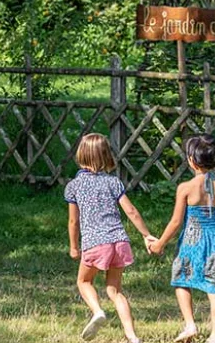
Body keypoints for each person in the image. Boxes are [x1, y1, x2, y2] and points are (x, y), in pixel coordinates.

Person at [65, 133, 155, 343]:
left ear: (80, 155)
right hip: (120, 241)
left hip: (96, 243)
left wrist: (73, 246)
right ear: (106, 155)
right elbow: (131, 211)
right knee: (115, 290)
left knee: (84, 281)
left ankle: (97, 311)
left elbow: (73, 222)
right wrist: (147, 234)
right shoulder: (113, 182)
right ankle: (132, 337)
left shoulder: (74, 186)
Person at [149, 134, 215, 343]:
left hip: (192, 239)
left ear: (191, 160)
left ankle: (190, 325)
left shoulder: (185, 188)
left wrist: (160, 243)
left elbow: (176, 222)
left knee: (182, 279)